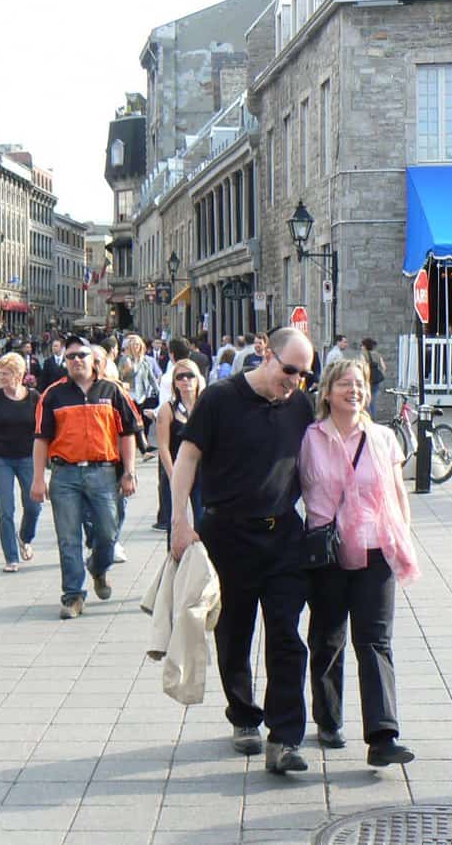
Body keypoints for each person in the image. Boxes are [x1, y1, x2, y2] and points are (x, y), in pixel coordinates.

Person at [170, 327, 316, 775]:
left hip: (283, 535)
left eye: (304, 375)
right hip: (227, 533)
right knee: (234, 635)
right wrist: (179, 520)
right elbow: (188, 457)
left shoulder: (301, 405)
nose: (294, 381)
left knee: (287, 638)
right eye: (289, 370)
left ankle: (285, 737)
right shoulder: (219, 398)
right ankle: (244, 716)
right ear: (267, 354)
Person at [300, 359, 420, 767]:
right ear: (328, 391)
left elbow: (398, 493)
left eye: (361, 384)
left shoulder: (384, 437)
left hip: (374, 549)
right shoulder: (310, 438)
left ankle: (383, 735)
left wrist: (403, 534)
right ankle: (329, 718)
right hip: (328, 553)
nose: (354, 390)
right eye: (346, 384)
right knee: (327, 638)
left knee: (374, 641)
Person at [32, 338, 139, 617]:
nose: (76, 360)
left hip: (103, 472)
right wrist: (37, 479)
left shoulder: (111, 391)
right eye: (70, 357)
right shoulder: (53, 395)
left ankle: (98, 567)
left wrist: (129, 473)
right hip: (65, 474)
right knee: (68, 538)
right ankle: (73, 595)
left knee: (108, 532)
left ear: (94, 360)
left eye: (81, 355)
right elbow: (41, 439)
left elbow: (128, 433)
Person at [0, 353, 41, 573]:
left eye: (6, 373)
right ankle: (11, 557)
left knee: (33, 505)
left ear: (19, 374)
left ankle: (25, 537)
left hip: (28, 458)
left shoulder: (34, 398)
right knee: (6, 508)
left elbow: (44, 430)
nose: (1, 377)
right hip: (1, 458)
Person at [155, 359, 206, 548]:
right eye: (180, 377)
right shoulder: (168, 409)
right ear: (174, 382)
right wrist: (173, 475)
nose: (186, 380)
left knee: (203, 521)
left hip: (202, 473)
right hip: (175, 471)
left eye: (190, 375)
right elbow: (163, 446)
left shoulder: (205, 405)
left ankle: (203, 567)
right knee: (175, 522)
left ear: (198, 379)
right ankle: (175, 566)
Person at [361, 337, 386, 414]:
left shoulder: (363, 355)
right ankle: (373, 420)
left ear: (365, 346)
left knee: (365, 402)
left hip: (367, 381)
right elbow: (384, 367)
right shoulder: (377, 355)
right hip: (375, 381)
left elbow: (362, 368)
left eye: (362, 345)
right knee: (373, 401)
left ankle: (367, 420)